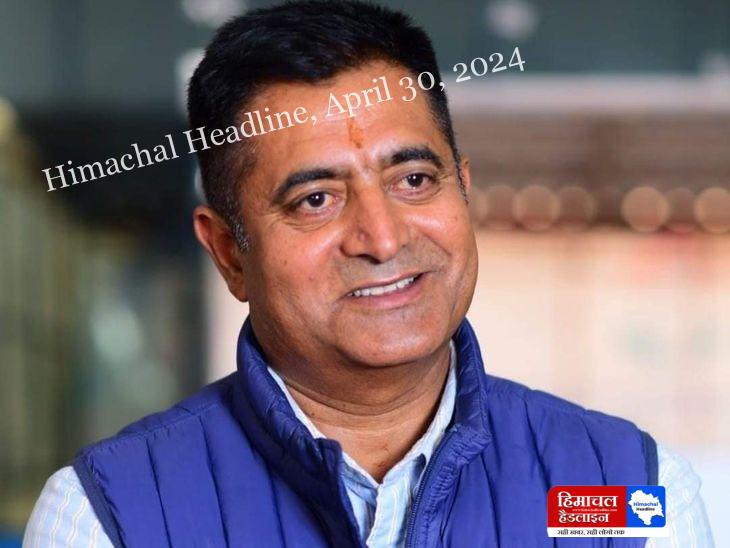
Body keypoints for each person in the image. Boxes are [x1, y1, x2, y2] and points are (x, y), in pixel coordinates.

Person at [24, 1, 713, 546]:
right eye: (315, 200)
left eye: (414, 179)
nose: (382, 238)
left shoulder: (630, 492)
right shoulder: (108, 518)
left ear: (463, 191)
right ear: (230, 253)